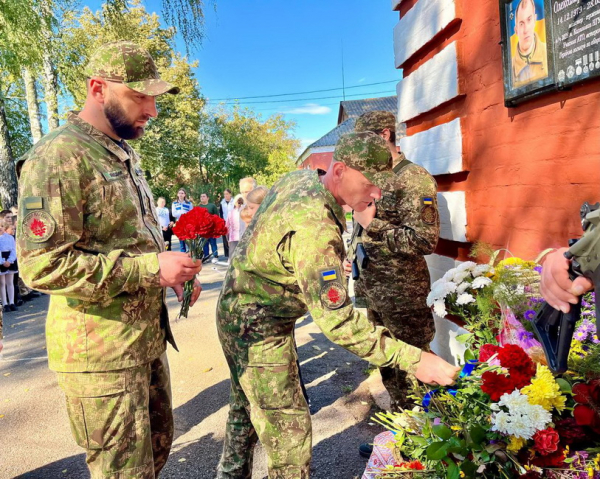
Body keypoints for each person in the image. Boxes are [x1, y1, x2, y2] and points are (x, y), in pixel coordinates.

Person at [216, 131, 460, 479]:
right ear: (340, 169)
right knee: (288, 429)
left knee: (246, 409)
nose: (376, 194)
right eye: (371, 184)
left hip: (239, 310)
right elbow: (339, 323)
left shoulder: (303, 179)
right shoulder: (316, 230)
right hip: (257, 327)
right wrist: (416, 359)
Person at [16, 41, 203, 478]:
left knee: (153, 459)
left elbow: (126, 235)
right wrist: (148, 269)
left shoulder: (120, 150)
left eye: (153, 97)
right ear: (98, 88)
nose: (152, 110)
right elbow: (41, 265)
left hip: (142, 343)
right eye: (140, 96)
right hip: (101, 357)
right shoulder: (59, 156)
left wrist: (165, 270)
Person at [511, 0, 548, 88]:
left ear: (535, 20)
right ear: (516, 30)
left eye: (529, 20)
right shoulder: (511, 68)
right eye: (521, 24)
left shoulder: (547, 53)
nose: (526, 29)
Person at [0, 220, 18, 312]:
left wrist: (10, 260)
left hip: (9, 259)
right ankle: (5, 303)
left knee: (10, 282)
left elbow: (13, 249)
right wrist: (2, 261)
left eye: (2, 226)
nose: (0, 228)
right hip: (1, 260)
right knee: (2, 283)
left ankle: (11, 302)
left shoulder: (10, 238)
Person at [199, 193, 220, 262]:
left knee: (213, 243)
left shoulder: (212, 206)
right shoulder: (199, 207)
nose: (202, 197)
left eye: (204, 196)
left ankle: (215, 256)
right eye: (201, 196)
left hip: (211, 229)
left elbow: (217, 217)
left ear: (208, 198)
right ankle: (206, 257)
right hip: (203, 229)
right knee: (204, 244)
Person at [172, 188, 193, 253]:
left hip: (187, 223)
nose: (180, 194)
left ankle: (191, 253)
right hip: (179, 223)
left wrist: (184, 215)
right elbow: (174, 214)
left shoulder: (189, 203)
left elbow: (191, 213)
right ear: (177, 194)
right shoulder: (174, 203)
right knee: (181, 239)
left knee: (189, 239)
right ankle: (183, 253)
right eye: (179, 193)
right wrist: (183, 214)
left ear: (185, 195)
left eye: (182, 193)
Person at [220, 189, 235, 258]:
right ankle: (228, 254)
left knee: (233, 239)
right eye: (224, 194)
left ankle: (234, 253)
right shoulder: (222, 203)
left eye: (227, 194)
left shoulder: (234, 202)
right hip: (225, 223)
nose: (226, 195)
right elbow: (221, 213)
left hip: (233, 223)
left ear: (230, 194)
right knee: (226, 239)